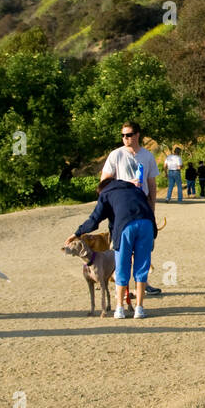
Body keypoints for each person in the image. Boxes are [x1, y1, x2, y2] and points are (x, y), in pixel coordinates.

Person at [66, 177, 158, 319]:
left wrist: (76, 233)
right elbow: (149, 207)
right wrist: (153, 233)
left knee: (122, 266)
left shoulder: (106, 193)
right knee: (142, 267)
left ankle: (119, 308)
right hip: (147, 224)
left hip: (126, 227)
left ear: (102, 188)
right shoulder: (135, 189)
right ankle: (139, 308)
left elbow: (94, 220)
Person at [100, 121, 161, 295]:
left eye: (128, 135)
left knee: (143, 248)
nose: (125, 138)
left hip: (142, 209)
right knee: (121, 249)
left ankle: (143, 283)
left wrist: (152, 207)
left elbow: (152, 184)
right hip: (121, 210)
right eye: (123, 135)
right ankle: (123, 288)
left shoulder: (147, 156)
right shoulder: (116, 155)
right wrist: (127, 184)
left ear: (137, 135)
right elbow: (104, 183)